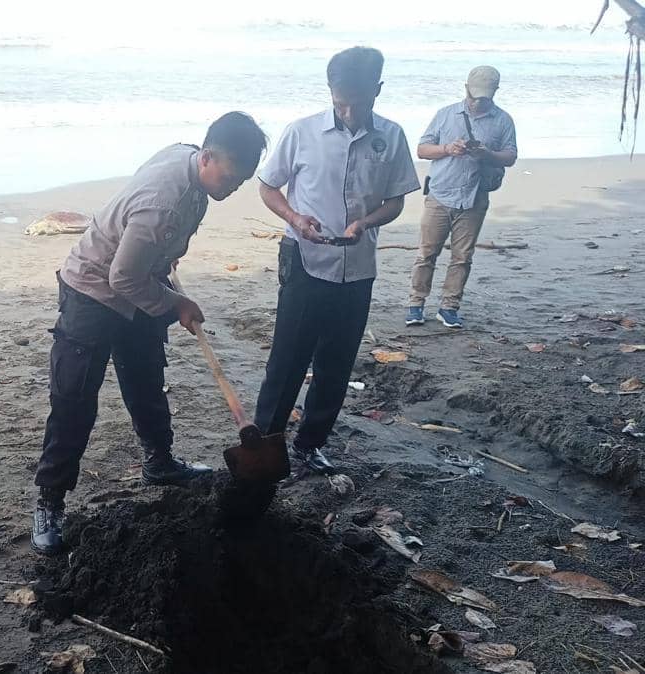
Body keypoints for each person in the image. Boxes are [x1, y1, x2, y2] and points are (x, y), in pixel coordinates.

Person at [31, 112, 268, 555]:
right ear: (208, 156)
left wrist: (163, 265)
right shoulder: (163, 203)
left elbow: (145, 261)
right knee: (74, 399)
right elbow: (122, 278)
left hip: (142, 280)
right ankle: (49, 499)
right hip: (94, 290)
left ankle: (159, 463)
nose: (232, 189)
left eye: (241, 182)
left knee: (145, 380)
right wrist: (177, 304)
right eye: (231, 179)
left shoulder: (191, 166)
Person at [254, 47, 420, 476]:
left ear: (377, 91)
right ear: (330, 91)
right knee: (287, 359)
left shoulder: (392, 137)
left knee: (337, 362)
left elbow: (396, 200)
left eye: (358, 102)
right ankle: (266, 446)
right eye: (339, 101)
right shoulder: (302, 133)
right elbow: (269, 186)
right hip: (305, 258)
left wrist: (367, 222)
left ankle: (310, 444)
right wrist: (294, 217)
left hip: (358, 265)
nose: (347, 111)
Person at [406, 66, 517, 329]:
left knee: (462, 257)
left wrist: (487, 154)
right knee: (426, 253)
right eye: (474, 96)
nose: (478, 102)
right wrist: (447, 148)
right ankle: (416, 304)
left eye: (484, 98)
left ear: (495, 93)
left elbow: (511, 156)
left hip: (474, 197)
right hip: (440, 193)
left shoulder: (503, 120)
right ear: (465, 88)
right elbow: (422, 149)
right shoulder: (445, 115)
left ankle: (449, 307)